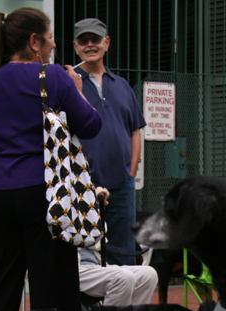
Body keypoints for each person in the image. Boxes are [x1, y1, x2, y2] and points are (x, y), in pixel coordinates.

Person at [0, 8, 102, 311]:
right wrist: (78, 91)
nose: (54, 44)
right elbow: (91, 125)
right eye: (50, 38)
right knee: (52, 289)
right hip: (44, 189)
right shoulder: (53, 76)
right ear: (34, 41)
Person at [71, 18, 147, 266]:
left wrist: (131, 171)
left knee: (122, 253)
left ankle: (121, 295)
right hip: (81, 183)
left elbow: (135, 130)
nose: (90, 45)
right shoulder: (68, 83)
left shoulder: (122, 85)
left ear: (107, 43)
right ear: (75, 46)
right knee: (84, 256)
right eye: (83, 41)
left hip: (121, 184)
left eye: (95, 39)